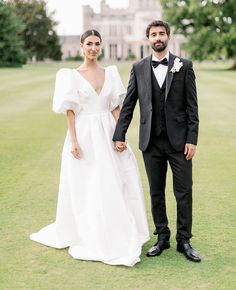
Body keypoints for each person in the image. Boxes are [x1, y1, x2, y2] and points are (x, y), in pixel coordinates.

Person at [30, 29, 149, 267]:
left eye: (97, 43)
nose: (93, 47)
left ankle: (116, 229)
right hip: (84, 134)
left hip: (107, 132)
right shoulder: (70, 76)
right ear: (82, 46)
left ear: (101, 46)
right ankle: (90, 231)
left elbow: (116, 107)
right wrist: (73, 141)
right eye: (89, 44)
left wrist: (121, 134)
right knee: (88, 184)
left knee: (115, 180)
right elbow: (71, 111)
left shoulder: (111, 73)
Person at [113, 20, 201, 262]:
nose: (158, 37)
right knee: (156, 192)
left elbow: (192, 107)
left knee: (184, 191)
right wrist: (119, 134)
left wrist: (192, 139)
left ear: (168, 37)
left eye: (161, 33)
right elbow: (129, 104)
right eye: (153, 34)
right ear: (148, 39)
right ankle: (162, 236)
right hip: (150, 142)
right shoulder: (138, 67)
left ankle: (184, 240)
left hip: (180, 142)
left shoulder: (184, 66)